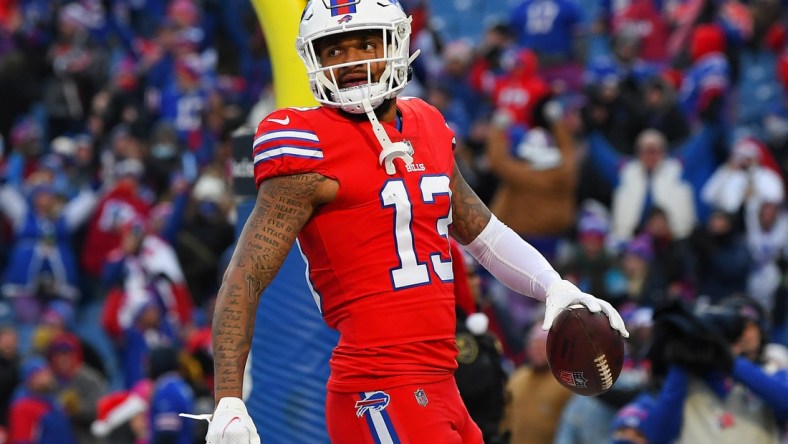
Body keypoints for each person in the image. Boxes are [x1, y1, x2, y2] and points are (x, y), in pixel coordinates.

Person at [202, 2, 628, 443]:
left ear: (398, 45)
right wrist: (229, 399)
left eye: (366, 44)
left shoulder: (426, 123)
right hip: (378, 386)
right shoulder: (305, 145)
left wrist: (553, 285)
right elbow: (245, 275)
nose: (352, 62)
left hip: (442, 383)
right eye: (334, 51)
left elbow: (483, 233)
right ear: (314, 61)